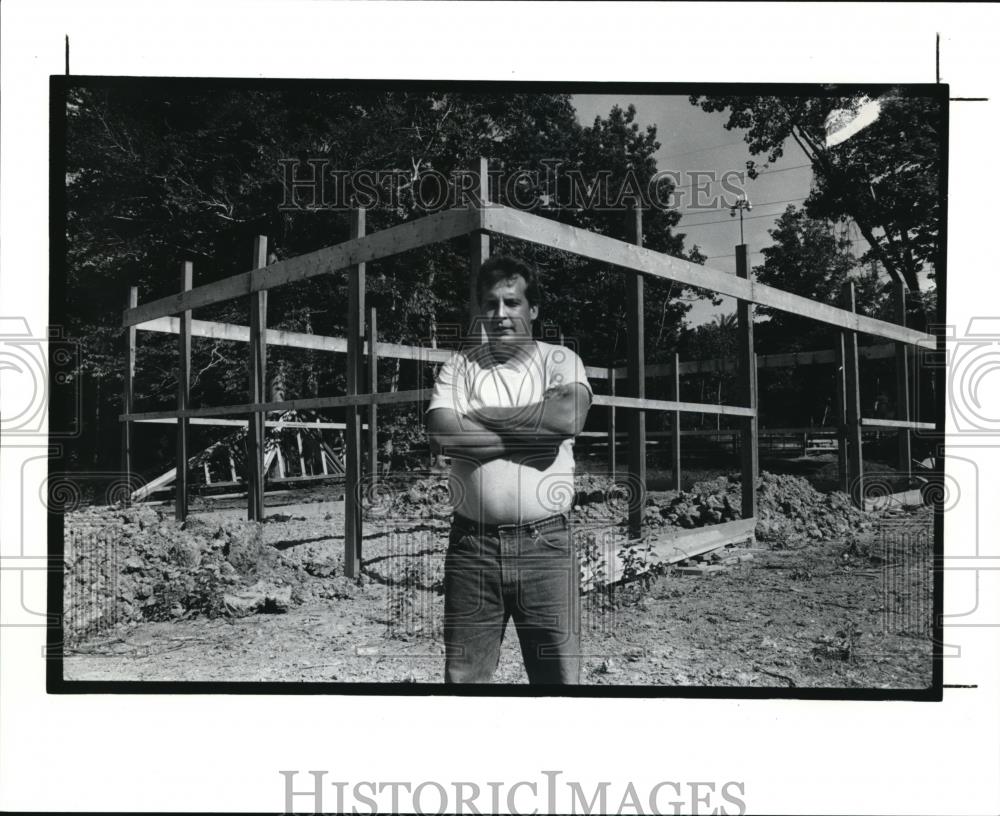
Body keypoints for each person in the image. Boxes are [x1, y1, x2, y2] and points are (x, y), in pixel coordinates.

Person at [426, 254, 592, 684]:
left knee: (558, 677)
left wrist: (479, 416)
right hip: (472, 547)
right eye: (490, 303)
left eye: (512, 303)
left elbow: (568, 418)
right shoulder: (460, 366)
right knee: (466, 677)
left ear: (532, 309)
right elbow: (444, 435)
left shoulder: (560, 360)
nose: (500, 314)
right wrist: (533, 433)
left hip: (545, 546)